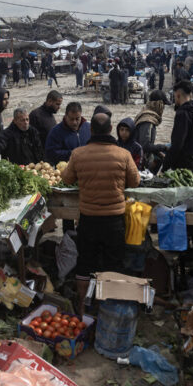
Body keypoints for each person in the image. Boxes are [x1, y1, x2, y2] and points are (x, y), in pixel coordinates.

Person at [61, 113, 140, 314]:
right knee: (113, 262)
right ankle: (108, 306)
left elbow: (67, 179)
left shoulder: (78, 154)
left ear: (92, 131)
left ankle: (83, 305)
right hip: (114, 220)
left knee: (86, 261)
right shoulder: (123, 154)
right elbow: (135, 182)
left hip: (88, 219)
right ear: (111, 129)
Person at [162, 80, 193, 175]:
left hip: (183, 167)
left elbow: (177, 143)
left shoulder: (182, 114)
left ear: (178, 95)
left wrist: (164, 167)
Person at [134, 90, 169, 174]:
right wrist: (163, 147)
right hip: (140, 158)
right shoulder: (147, 121)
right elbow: (145, 146)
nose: (163, 109)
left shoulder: (147, 114)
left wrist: (160, 153)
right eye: (163, 105)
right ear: (158, 105)